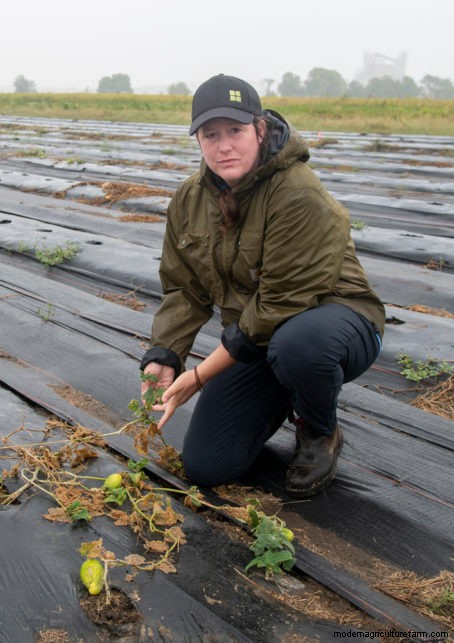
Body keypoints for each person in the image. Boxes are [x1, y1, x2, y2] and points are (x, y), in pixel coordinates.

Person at [139, 74, 385, 498]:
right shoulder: (190, 199)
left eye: (234, 131)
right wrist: (166, 354)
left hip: (335, 324)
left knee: (298, 346)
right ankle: (284, 393)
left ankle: (318, 428)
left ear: (259, 129)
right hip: (257, 341)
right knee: (206, 465)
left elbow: (278, 305)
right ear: (198, 140)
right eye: (210, 134)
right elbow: (184, 289)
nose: (224, 146)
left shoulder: (297, 193)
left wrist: (200, 375)